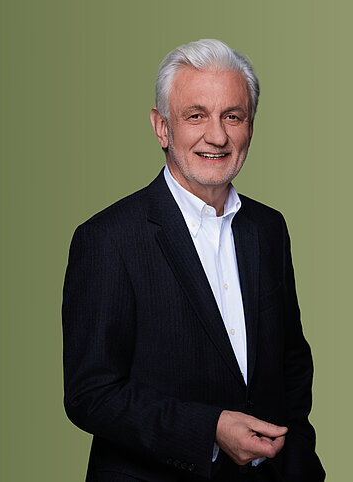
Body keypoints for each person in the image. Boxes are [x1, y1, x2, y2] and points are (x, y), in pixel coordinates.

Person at [62, 39, 325, 481]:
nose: (217, 136)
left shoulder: (269, 228)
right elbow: (91, 394)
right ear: (162, 127)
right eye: (196, 115)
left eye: (232, 116)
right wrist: (209, 430)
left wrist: (301, 467)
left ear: (251, 127)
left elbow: (292, 364)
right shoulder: (108, 239)